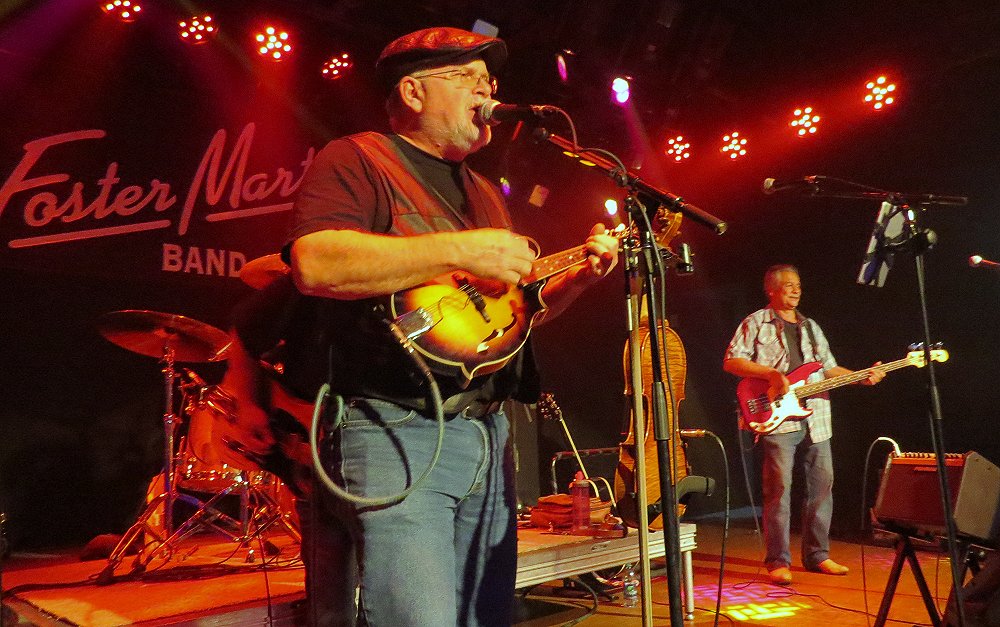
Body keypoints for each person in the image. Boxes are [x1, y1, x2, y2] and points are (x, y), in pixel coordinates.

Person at [277, 26, 620, 626]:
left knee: (484, 617)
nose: (488, 91)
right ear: (413, 92)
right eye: (468, 78)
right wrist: (459, 250)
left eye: (490, 81)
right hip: (394, 426)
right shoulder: (358, 160)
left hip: (486, 435)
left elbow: (504, 320)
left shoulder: (484, 192)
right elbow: (315, 262)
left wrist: (575, 283)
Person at [723, 264, 883, 586]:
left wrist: (861, 378)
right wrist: (770, 374)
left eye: (798, 285)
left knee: (822, 487)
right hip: (777, 417)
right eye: (788, 285)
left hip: (817, 418)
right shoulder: (755, 322)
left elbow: (828, 369)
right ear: (771, 289)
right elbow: (731, 360)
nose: (796, 290)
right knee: (779, 491)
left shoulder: (811, 327)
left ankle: (818, 555)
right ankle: (778, 561)